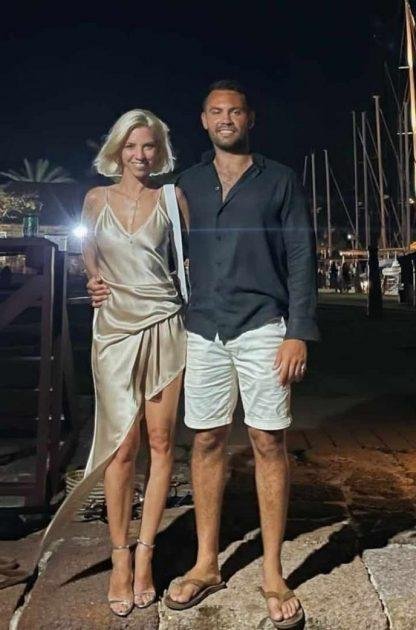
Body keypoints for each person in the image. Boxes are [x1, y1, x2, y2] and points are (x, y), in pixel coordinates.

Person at [90, 81, 319, 629]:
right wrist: (97, 281)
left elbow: (301, 256)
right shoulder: (184, 186)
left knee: (268, 441)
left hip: (264, 327)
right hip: (202, 329)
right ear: (203, 120)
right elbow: (137, 249)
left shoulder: (280, 179)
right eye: (217, 111)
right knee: (207, 439)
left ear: (250, 118)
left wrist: (299, 332)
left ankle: (272, 572)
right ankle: (206, 563)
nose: (226, 119)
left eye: (235, 111)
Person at [40, 109, 188, 618]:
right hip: (114, 332)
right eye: (131, 146)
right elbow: (89, 252)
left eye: (149, 146)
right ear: (118, 150)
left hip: (165, 324)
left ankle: (146, 555)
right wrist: (92, 279)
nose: (140, 155)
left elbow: (190, 263)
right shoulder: (95, 199)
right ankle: (119, 556)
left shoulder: (172, 199)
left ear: (159, 151)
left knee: (162, 444)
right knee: (121, 448)